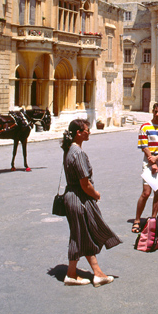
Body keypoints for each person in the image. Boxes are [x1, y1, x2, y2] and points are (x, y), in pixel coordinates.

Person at [61, 119, 121, 287]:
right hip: (79, 197)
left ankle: (85, 274)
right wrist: (96, 194)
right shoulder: (78, 153)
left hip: (71, 196)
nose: (89, 132)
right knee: (82, 233)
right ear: (78, 133)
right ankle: (84, 274)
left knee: (80, 234)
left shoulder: (69, 149)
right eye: (86, 130)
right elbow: (84, 183)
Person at [133, 103, 158, 233]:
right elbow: (144, 146)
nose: (157, 114)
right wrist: (152, 161)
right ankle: (137, 220)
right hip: (149, 161)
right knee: (146, 192)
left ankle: (153, 220)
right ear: (152, 111)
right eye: (155, 111)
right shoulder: (144, 127)